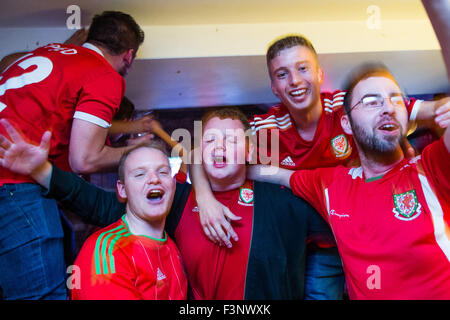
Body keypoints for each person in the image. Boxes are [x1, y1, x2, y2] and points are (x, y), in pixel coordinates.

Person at [191, 33, 450, 299]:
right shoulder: (265, 127)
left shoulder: (350, 106)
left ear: (319, 74)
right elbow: (204, 152)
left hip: (381, 229)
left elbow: (432, 109)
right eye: (282, 74)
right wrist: (204, 196)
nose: (294, 81)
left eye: (303, 68)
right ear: (274, 88)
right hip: (319, 247)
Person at [0, 108, 334, 300]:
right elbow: (98, 204)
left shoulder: (286, 203)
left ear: (248, 150)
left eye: (231, 139)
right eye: (210, 139)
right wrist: (42, 170)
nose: (219, 147)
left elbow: (347, 229)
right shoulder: (175, 201)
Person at [247, 62, 450, 299]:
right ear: (346, 124)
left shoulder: (431, 167)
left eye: (396, 99)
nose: (388, 108)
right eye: (371, 101)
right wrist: (214, 181)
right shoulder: (331, 185)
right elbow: (273, 173)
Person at [0, 11, 145, 299]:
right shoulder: (104, 74)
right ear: (129, 56)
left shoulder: (47, 52)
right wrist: (144, 153)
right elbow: (85, 159)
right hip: (13, 183)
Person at [72, 141, 187, 300]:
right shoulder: (108, 252)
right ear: (122, 190)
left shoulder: (172, 247)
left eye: (163, 172)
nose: (154, 179)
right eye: (140, 174)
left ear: (173, 185)